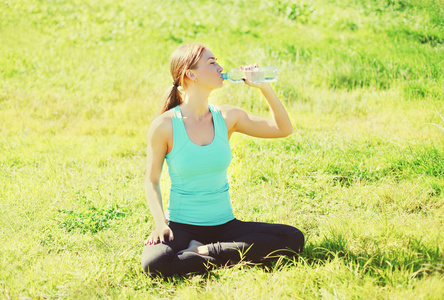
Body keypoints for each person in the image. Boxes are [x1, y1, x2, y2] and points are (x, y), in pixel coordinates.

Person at [141, 43, 304, 277]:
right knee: (154, 262)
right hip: (181, 225)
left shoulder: (227, 117)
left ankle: (202, 252)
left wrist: (264, 88)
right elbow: (151, 181)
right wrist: (160, 224)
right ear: (190, 74)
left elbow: (283, 128)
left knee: (292, 238)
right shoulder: (165, 126)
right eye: (212, 62)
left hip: (226, 226)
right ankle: (221, 254)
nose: (220, 67)